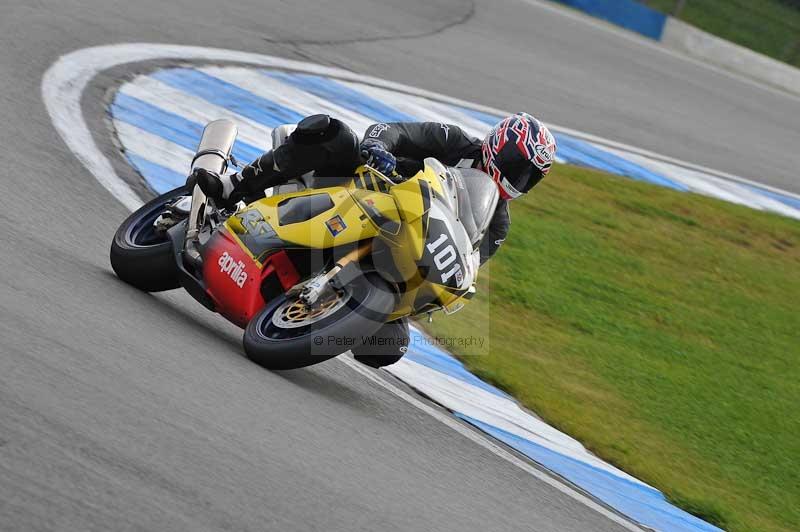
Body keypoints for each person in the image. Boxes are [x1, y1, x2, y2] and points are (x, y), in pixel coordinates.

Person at [192, 112, 557, 368]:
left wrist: (448, 289)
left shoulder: (497, 224)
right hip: (360, 189)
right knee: (335, 135)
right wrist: (377, 147)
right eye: (517, 165)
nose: (517, 179)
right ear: (498, 145)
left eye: (529, 176)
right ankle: (232, 186)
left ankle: (320, 309)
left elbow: (465, 261)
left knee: (389, 345)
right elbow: (393, 131)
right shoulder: (455, 141)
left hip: (397, 250)